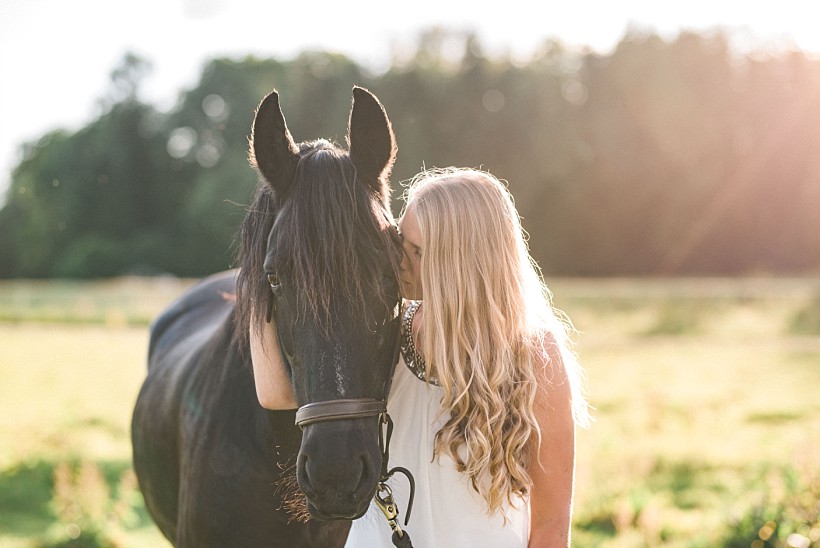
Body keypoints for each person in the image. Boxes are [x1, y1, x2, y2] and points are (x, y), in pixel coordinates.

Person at [251, 167, 591, 547]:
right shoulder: (388, 331)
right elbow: (276, 394)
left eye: (414, 251)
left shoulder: (535, 358)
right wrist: (263, 265)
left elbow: (551, 527)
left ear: (458, 266)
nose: (398, 262)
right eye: (398, 243)